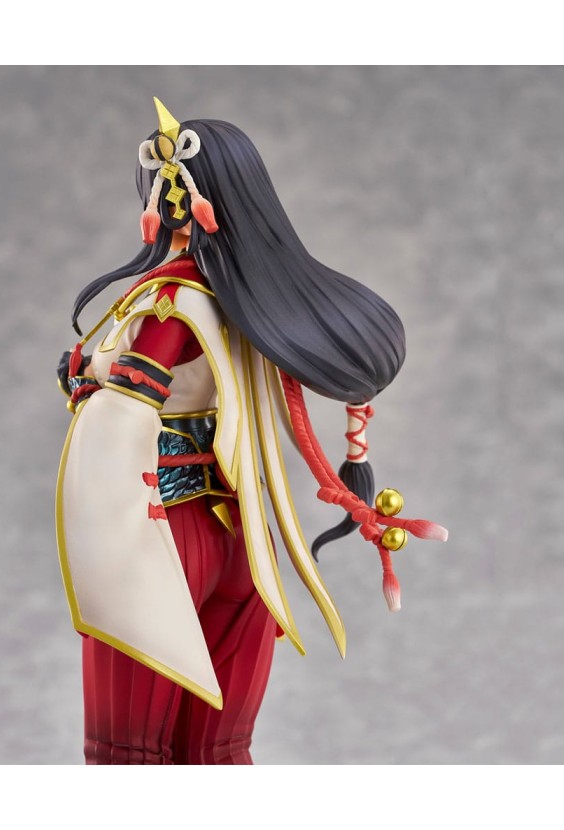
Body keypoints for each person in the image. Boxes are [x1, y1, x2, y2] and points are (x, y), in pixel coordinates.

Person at [55, 99, 447, 765]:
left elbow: (131, 400)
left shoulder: (172, 299)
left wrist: (85, 377)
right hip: (241, 536)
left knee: (129, 754)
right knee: (219, 753)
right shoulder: (250, 299)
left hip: (167, 529)